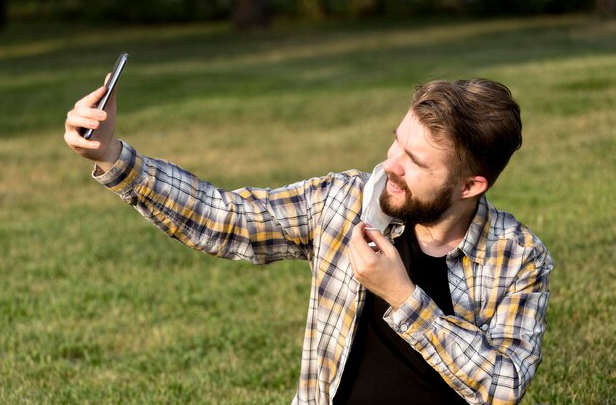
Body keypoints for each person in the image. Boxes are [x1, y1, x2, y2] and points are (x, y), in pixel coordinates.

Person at [64, 78, 553, 405]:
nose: (391, 165)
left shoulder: (518, 258)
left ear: (471, 186)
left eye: (416, 162)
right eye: (397, 142)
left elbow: (502, 387)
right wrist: (112, 156)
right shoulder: (343, 201)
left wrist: (402, 296)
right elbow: (227, 219)